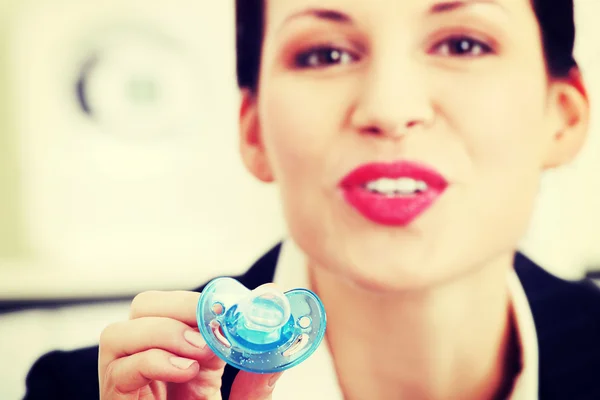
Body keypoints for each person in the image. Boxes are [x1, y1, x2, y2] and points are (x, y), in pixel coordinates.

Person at [24, 0, 600, 399]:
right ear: (254, 133)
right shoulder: (81, 393)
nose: (388, 108)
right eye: (325, 54)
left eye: (463, 43)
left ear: (563, 117)